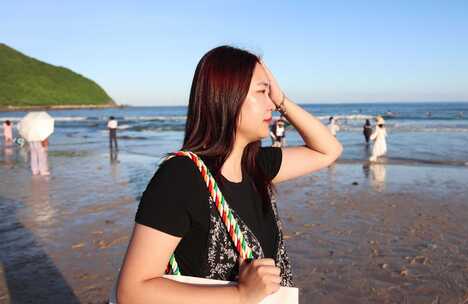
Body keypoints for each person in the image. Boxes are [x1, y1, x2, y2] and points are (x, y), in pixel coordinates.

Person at [116, 46, 342, 304]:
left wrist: (282, 100)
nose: (270, 103)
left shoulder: (257, 166)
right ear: (228, 96)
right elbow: (132, 291)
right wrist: (239, 294)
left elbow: (329, 150)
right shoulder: (181, 177)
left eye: (270, 93)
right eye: (261, 91)